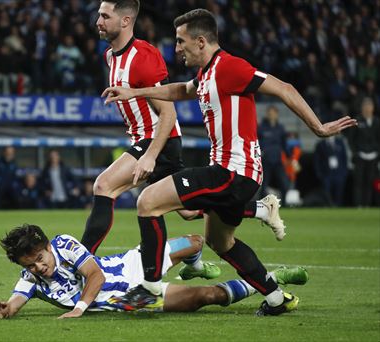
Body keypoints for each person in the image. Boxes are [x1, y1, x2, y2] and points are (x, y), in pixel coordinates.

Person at [102, 8, 356, 315]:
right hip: (233, 174)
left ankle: (151, 288)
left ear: (200, 42)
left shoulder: (229, 67)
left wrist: (318, 127)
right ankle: (277, 298)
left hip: (232, 171)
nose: (177, 48)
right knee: (220, 242)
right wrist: (135, 91)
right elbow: (181, 90)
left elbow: (284, 88)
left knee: (148, 201)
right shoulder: (206, 74)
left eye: (181, 42)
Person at [82, 0, 285, 258]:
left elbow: (168, 113)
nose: (98, 21)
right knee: (189, 211)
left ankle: (79, 264)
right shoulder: (110, 56)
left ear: (125, 21)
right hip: (144, 139)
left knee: (104, 185)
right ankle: (257, 211)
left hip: (158, 139)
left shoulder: (143, 57)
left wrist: (150, 155)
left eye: (104, 16)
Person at [0, 224, 308, 319]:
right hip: (132, 297)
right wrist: (6, 310)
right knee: (204, 297)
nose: (38, 266)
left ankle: (195, 266)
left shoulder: (64, 245)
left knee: (196, 241)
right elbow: (16, 301)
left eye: (39, 258)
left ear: (45, 246)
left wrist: (79, 309)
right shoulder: (31, 278)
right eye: (30, 264)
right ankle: (272, 280)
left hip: (130, 265)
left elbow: (95, 276)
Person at [348, 97, 379, 207]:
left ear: (373, 108)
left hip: (373, 156)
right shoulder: (357, 120)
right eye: (365, 106)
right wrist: (355, 153)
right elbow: (351, 139)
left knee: (370, 181)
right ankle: (358, 205)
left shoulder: (376, 121)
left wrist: (377, 153)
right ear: (362, 108)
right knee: (358, 182)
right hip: (360, 155)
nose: (367, 108)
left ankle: (367, 205)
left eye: (369, 106)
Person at [258, 105, 291, 200]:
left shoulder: (280, 128)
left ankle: (284, 204)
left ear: (277, 114)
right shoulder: (261, 128)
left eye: (273, 113)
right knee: (264, 185)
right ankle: (261, 206)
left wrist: (290, 158)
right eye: (269, 113)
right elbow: (256, 143)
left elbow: (284, 144)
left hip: (278, 161)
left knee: (284, 183)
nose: (271, 115)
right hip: (265, 161)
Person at [313, 135, 348, 206]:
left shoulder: (340, 142)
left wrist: (344, 173)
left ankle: (338, 207)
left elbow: (344, 158)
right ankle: (329, 207)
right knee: (327, 192)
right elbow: (317, 161)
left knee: (338, 192)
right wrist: (319, 174)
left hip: (339, 173)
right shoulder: (320, 144)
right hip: (326, 173)